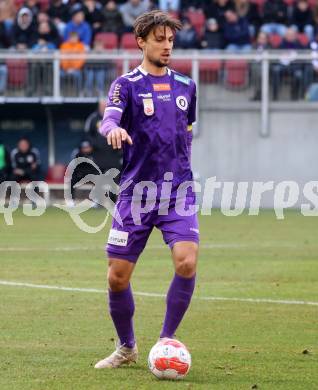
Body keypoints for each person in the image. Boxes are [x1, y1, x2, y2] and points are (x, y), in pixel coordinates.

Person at [95, 10, 199, 369]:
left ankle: (166, 340)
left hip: (177, 192)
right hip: (136, 194)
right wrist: (112, 128)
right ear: (141, 41)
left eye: (170, 39)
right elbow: (109, 116)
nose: (166, 45)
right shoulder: (126, 85)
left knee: (186, 262)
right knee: (116, 276)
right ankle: (127, 348)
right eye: (159, 39)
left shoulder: (187, 86)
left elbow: (186, 133)